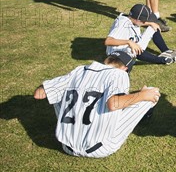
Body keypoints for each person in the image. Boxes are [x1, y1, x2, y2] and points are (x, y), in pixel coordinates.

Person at [33, 50, 161, 158]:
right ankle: (145, 117)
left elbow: (39, 94)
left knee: (57, 94)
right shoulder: (119, 74)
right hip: (101, 148)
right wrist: (142, 95)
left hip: (66, 146)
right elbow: (113, 104)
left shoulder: (79, 71)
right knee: (152, 91)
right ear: (125, 68)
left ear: (107, 61)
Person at [105, 3, 176, 70]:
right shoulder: (122, 24)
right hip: (117, 55)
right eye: (143, 20)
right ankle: (164, 60)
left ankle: (166, 51)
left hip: (129, 47)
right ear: (137, 19)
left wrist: (150, 23)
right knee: (135, 49)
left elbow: (139, 22)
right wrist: (129, 42)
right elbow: (108, 41)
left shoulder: (132, 19)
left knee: (154, 27)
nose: (145, 21)